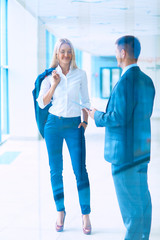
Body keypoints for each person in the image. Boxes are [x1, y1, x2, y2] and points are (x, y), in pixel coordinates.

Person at [88, 35, 155, 239]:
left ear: (123, 53)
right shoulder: (147, 81)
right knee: (143, 201)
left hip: (124, 156)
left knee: (131, 209)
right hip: (141, 151)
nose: (115, 55)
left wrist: (96, 115)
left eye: (116, 51)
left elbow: (119, 117)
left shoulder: (126, 81)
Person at [37, 38, 91, 234]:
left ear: (72, 53)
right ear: (57, 54)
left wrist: (84, 122)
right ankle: (60, 211)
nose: (66, 55)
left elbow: (85, 101)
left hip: (73, 125)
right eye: (62, 51)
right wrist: (54, 84)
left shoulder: (81, 74)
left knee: (80, 171)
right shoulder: (49, 76)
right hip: (53, 125)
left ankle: (85, 214)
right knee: (55, 171)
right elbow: (42, 103)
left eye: (69, 51)